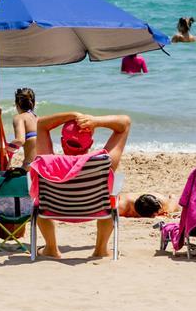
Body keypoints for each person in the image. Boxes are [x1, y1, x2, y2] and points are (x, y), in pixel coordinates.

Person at [33, 111, 132, 258]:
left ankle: (51, 248)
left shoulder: (48, 163)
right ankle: (101, 249)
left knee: (38, 198)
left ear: (61, 141)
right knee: (112, 197)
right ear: (91, 143)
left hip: (54, 210)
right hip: (95, 210)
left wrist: (72, 115)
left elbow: (41, 124)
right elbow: (125, 123)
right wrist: (95, 121)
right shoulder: (104, 162)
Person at [7, 87, 39, 165]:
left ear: (17, 104)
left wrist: (6, 148)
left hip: (30, 167)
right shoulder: (38, 118)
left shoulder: (19, 118)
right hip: (43, 166)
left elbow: (20, 141)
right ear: (33, 103)